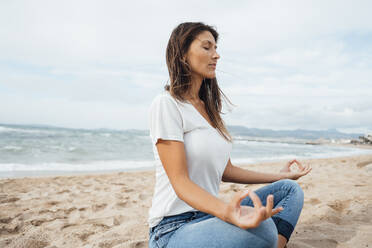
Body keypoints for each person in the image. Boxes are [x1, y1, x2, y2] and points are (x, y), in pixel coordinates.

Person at [147, 22, 312, 248]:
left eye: (215, 48)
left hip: (210, 217)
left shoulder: (210, 111)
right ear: (183, 54)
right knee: (262, 229)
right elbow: (180, 182)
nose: (216, 55)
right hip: (174, 228)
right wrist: (228, 212)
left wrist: (278, 175)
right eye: (207, 48)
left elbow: (227, 170)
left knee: (289, 189)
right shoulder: (167, 104)